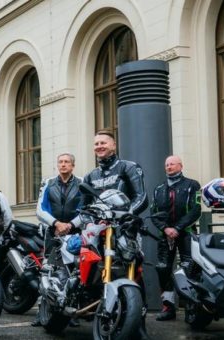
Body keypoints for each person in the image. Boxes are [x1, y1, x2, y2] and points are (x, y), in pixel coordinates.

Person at [82, 129, 149, 338]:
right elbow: (83, 206)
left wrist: (127, 216)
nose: (99, 147)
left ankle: (138, 325)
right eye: (96, 144)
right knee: (88, 268)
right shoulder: (90, 175)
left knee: (134, 270)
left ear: (113, 145)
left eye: (103, 142)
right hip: (98, 231)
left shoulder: (128, 167)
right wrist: (88, 222)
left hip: (125, 230)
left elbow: (142, 197)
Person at [31, 153, 83, 327]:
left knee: (74, 271)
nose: (63, 165)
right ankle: (41, 311)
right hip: (53, 233)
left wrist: (70, 225)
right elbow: (40, 209)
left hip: (74, 233)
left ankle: (72, 313)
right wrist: (56, 223)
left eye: (67, 162)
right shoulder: (48, 183)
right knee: (47, 269)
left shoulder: (82, 183)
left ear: (72, 165)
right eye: (60, 162)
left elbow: (86, 209)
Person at [151, 155, 201, 321]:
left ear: (181, 165)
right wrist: (166, 229)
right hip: (165, 235)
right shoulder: (158, 188)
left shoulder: (192, 185)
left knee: (189, 269)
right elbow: (154, 214)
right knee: (163, 269)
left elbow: (196, 209)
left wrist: (178, 228)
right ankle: (168, 307)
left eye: (172, 164)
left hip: (186, 233)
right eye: (166, 165)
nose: (169, 167)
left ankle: (191, 308)